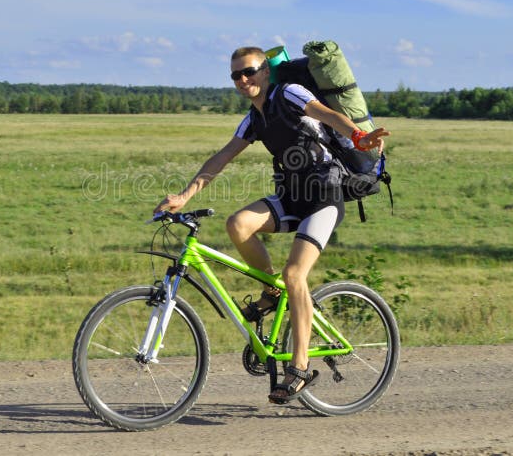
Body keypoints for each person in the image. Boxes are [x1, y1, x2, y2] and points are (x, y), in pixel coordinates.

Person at [154, 46, 389, 404]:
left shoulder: (289, 93)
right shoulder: (254, 118)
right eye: (236, 75)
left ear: (265, 72)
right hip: (292, 197)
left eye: (249, 72)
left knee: (296, 274)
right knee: (238, 224)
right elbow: (223, 155)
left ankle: (300, 366)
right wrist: (185, 197)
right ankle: (272, 290)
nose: (243, 80)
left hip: (325, 196)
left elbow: (325, 114)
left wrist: (358, 136)